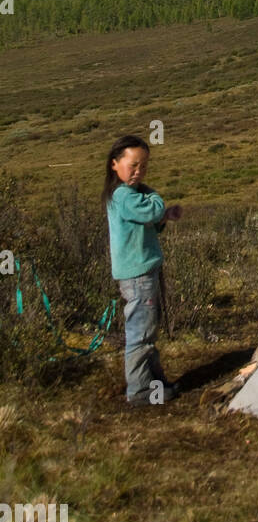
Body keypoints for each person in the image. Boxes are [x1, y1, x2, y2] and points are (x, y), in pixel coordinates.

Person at [103, 134, 182, 405]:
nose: (139, 172)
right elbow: (150, 212)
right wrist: (157, 201)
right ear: (114, 164)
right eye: (133, 165)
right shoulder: (125, 195)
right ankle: (139, 390)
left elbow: (147, 221)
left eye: (144, 167)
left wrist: (163, 216)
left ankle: (154, 382)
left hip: (140, 272)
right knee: (141, 333)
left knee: (147, 329)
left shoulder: (128, 194)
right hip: (138, 275)